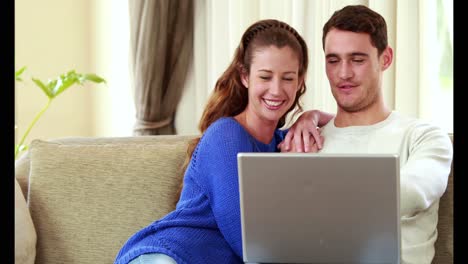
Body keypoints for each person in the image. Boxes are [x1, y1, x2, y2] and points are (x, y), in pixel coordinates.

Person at [114, 19, 330, 264]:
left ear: (300, 81)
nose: (276, 90)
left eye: (288, 78)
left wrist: (311, 117)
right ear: (245, 76)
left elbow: (352, 126)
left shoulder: (284, 143)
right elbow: (247, 242)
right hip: (167, 255)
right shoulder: (225, 135)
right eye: (265, 77)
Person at [280, 5, 453, 264]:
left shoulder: (424, 137)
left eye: (357, 59)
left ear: (385, 59)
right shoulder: (307, 140)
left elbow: (413, 192)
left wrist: (314, 192)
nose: (344, 73)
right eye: (333, 60)